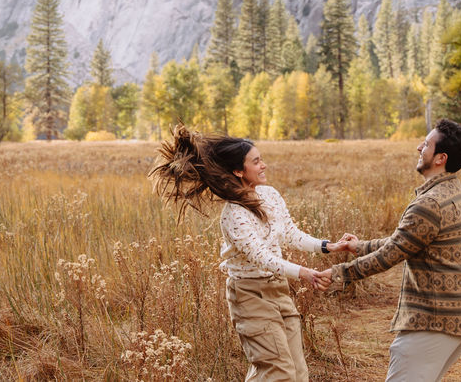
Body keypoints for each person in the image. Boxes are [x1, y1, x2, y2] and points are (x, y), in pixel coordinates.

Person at [150, 123, 353, 382]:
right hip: (249, 296)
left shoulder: (269, 195)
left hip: (278, 290)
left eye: (262, 159)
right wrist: (305, 273)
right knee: (278, 372)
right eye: (256, 162)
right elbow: (261, 257)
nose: (263, 165)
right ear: (238, 170)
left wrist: (328, 246)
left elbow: (290, 233)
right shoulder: (233, 214)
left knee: (297, 374)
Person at [320, 118, 461, 382]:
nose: (419, 147)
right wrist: (358, 247)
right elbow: (407, 240)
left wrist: (339, 274)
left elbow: (390, 255)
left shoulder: (429, 203)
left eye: (427, 144)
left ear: (441, 158)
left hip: (434, 320)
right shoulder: (457, 193)